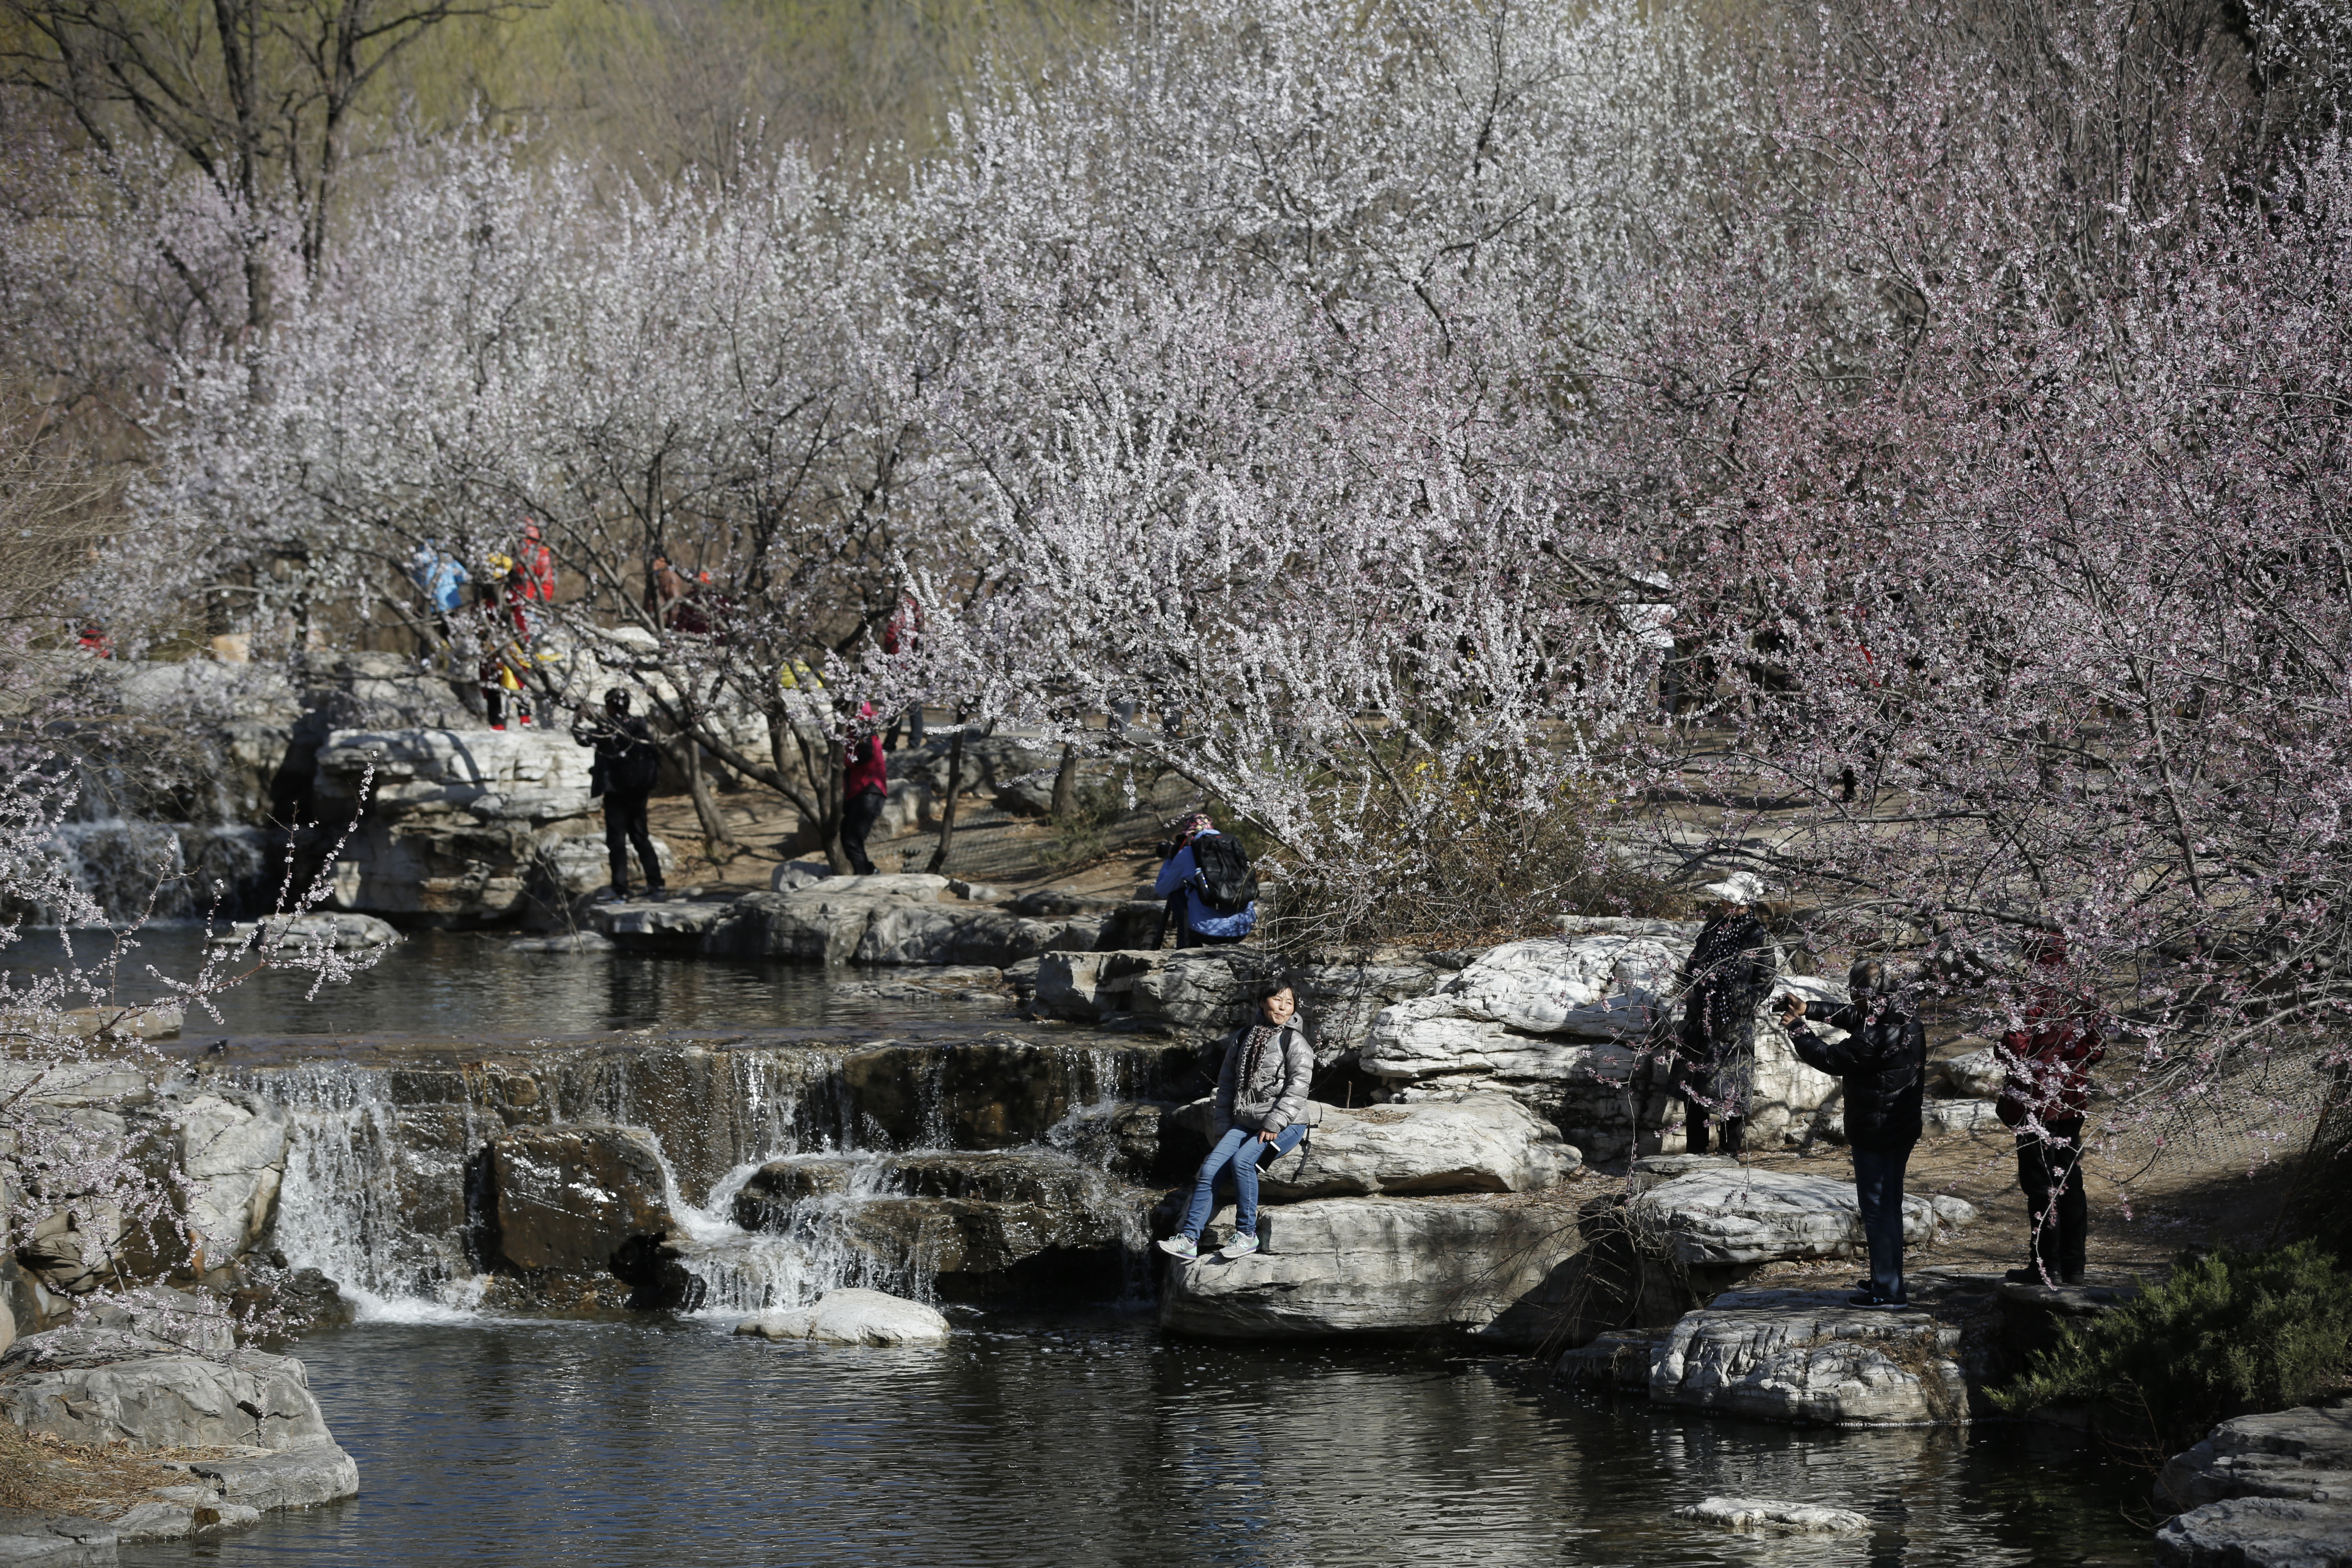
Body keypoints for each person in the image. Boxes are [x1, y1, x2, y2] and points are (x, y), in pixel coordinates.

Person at [1778, 959, 1927, 1308]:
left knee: (1878, 1210)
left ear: (1866, 994)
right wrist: (1809, 1009)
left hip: (1877, 1133)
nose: (1852, 1000)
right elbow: (1857, 1018)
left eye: (1854, 993)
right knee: (1888, 1207)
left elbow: (1831, 1058)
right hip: (1901, 1128)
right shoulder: (1904, 1019)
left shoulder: (1875, 1037)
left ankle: (1888, 1293)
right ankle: (1886, 1280)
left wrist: (1799, 1029)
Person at [1157, 982, 1315, 1261]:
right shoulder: (1244, 1037)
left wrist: (1274, 1123)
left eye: (1289, 1003)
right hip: (1244, 1122)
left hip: (1287, 1124)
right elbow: (1227, 1086)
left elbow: (1299, 1087)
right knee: (1209, 1171)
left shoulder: (1294, 1041)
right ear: (1262, 1002)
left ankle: (1246, 1235)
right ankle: (1189, 1239)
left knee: (1243, 1162)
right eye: (1277, 1000)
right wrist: (1222, 1129)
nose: (1282, 1007)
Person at [1996, 934, 2105, 1286]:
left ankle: (2046, 1265)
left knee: (2042, 1186)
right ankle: (2074, 1266)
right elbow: (2096, 1048)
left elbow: (2018, 1048)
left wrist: (2004, 1049)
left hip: (2037, 1102)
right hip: (2072, 1100)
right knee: (2070, 1183)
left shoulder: (2030, 991)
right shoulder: (2082, 990)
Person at [1674, 871, 1775, 1154]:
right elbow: (1693, 963)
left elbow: (1766, 980)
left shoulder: (1757, 935)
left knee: (1732, 1091)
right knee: (1694, 1087)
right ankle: (1695, 1151)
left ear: (1746, 905)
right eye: (1724, 899)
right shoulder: (1713, 927)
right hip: (1701, 1020)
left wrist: (1740, 1005)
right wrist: (1692, 994)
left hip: (1733, 1026)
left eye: (1731, 900)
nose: (1724, 904)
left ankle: (1730, 1152)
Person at [573, 689, 665, 898]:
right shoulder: (639, 725)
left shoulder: (608, 729)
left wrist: (576, 721)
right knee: (641, 837)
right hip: (639, 791)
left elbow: (583, 740)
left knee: (617, 842)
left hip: (617, 793)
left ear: (611, 706)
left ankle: (621, 890)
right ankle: (657, 884)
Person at [1154, 813, 1258, 948]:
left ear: (1190, 835)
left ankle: (1187, 949)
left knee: (1177, 893)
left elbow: (1162, 890)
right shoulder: (1233, 846)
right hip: (1242, 930)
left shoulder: (1186, 853)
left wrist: (1169, 858)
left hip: (1209, 933)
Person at [472, 580, 532, 730]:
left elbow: (519, 617)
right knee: (492, 678)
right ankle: (497, 721)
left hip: (512, 640)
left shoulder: (513, 591)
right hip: (490, 642)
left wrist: (522, 640)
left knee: (519, 677)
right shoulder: (482, 595)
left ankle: (525, 715)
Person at [842, 713, 888, 876]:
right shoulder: (858, 725)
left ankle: (864, 877)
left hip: (868, 790)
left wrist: (844, 760)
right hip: (860, 791)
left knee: (852, 841)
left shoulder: (862, 726)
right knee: (847, 838)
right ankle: (869, 870)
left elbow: (866, 753)